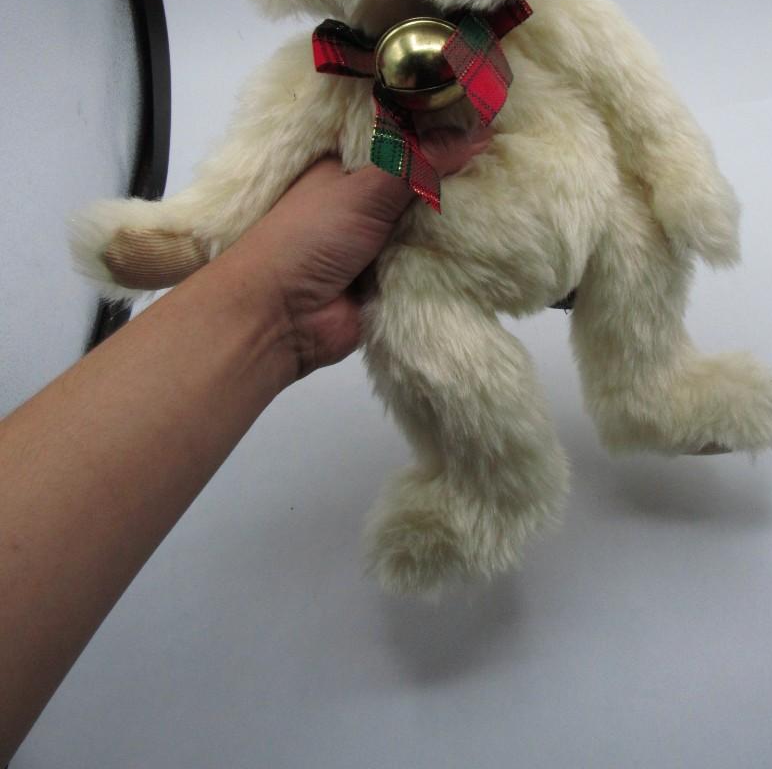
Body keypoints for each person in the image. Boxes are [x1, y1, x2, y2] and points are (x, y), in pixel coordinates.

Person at [0, 126, 491, 762]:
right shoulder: (370, 120)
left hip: (492, 217)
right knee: (451, 363)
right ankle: (199, 228)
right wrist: (266, 288)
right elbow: (292, 119)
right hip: (404, 251)